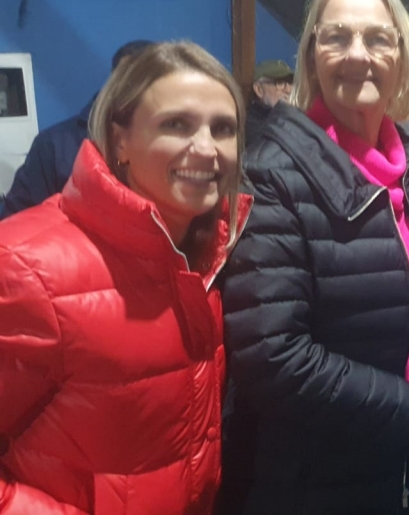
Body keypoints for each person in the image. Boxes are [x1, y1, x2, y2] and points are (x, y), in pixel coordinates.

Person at [217, 0, 409, 514]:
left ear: (401, 55)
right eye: (337, 36)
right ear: (312, 54)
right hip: (311, 475)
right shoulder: (272, 172)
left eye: (377, 38)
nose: (357, 54)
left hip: (395, 461)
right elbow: (272, 357)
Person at [0, 41, 249, 514]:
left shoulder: (209, 262)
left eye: (223, 128)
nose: (206, 148)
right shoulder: (27, 268)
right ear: (120, 142)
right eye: (176, 124)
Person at [1, 39, 153, 219]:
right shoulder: (54, 146)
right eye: (131, 81)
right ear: (113, 83)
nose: (139, 93)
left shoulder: (173, 148)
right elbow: (18, 223)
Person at [246, 59, 294, 148]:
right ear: (259, 90)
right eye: (280, 83)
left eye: (290, 83)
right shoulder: (251, 127)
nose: (288, 90)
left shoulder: (292, 117)